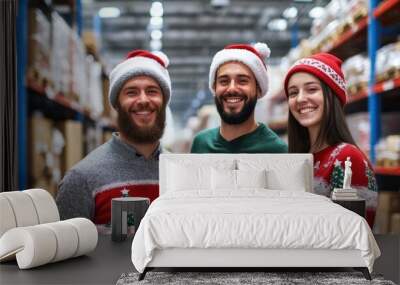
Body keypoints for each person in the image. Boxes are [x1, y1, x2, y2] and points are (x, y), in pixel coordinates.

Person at [56, 49, 171, 233]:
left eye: (152, 91)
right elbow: (66, 255)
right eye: (131, 92)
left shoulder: (181, 175)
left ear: (164, 101)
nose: (143, 100)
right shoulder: (81, 180)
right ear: (116, 104)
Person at [284, 52, 378, 227]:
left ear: (332, 95)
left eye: (312, 89)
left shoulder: (348, 159)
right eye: (293, 92)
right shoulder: (299, 158)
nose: (301, 98)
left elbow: (357, 235)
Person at [191, 43, 287, 153]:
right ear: (214, 88)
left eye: (242, 81)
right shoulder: (201, 144)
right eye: (224, 81)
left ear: (259, 89)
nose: (232, 88)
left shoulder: (276, 150)